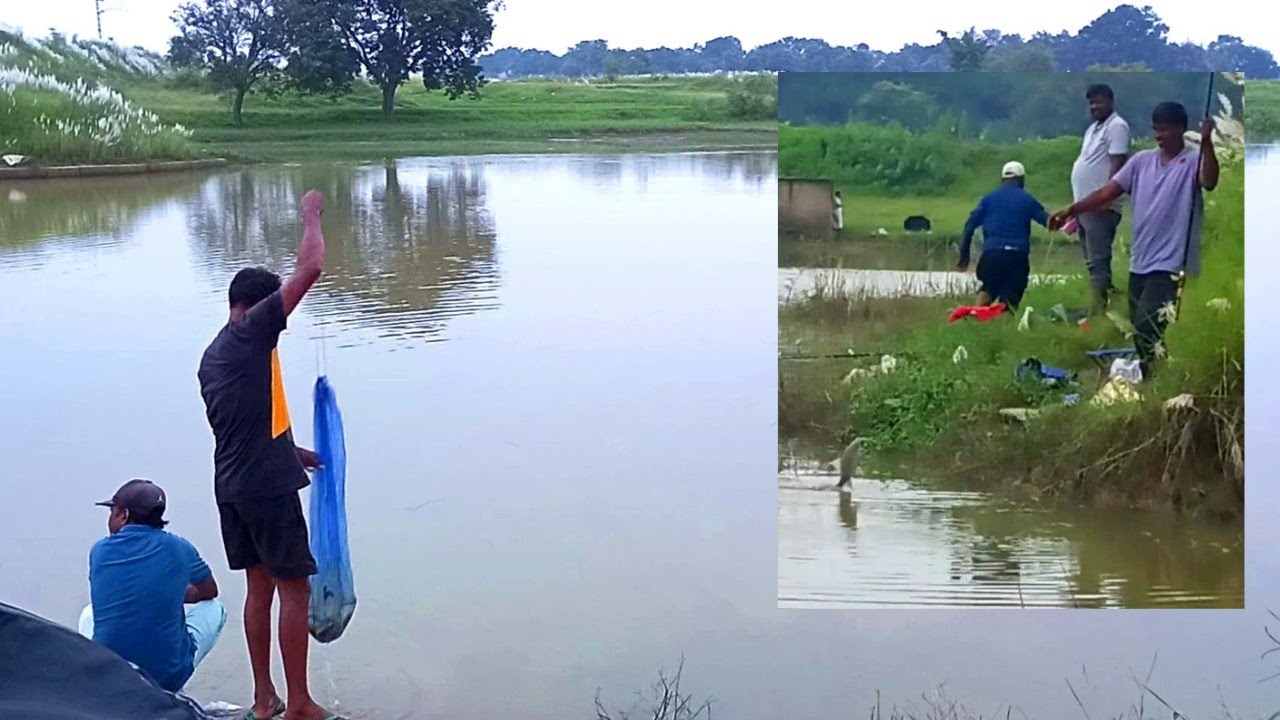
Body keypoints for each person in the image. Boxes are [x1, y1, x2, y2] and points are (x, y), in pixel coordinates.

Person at [198, 190, 344, 720]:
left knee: (258, 588)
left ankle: (265, 699)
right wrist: (310, 214)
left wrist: (294, 450)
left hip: (232, 489)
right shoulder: (253, 330)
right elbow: (311, 267)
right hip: (265, 489)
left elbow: (243, 421)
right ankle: (300, 703)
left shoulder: (214, 354)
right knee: (295, 590)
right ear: (257, 307)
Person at [1050, 102, 1219, 379]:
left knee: (1147, 325)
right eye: (1156, 129)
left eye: (1164, 130)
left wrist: (1208, 143)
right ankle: (1155, 376)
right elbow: (1106, 193)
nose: (1158, 135)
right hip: (1140, 260)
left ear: (1179, 130)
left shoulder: (1193, 160)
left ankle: (1153, 379)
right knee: (1142, 331)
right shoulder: (1141, 161)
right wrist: (1071, 210)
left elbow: (1209, 181)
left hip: (1170, 263)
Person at [79, 478, 226, 694]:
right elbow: (209, 592)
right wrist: (173, 593)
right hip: (169, 677)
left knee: (89, 613)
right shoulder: (180, 547)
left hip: (112, 673)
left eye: (112, 511)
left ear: (124, 514)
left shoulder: (99, 551)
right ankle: (172, 692)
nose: (110, 517)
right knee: (215, 609)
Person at [956, 160, 1050, 311]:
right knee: (1010, 298)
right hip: (1017, 255)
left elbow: (969, 226)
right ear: (1022, 180)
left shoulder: (987, 199)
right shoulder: (1027, 199)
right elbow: (1048, 221)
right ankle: (1003, 323)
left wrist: (964, 255)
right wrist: (1070, 222)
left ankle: (977, 316)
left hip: (992, 255)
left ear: (1002, 180)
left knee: (989, 287)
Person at [1070, 83, 1131, 315]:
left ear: (1111, 102)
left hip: (1101, 205)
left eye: (1099, 102)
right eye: (1091, 103)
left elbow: (1118, 162)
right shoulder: (1093, 129)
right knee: (1090, 259)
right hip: (1085, 205)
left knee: (1098, 260)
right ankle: (1104, 304)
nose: (1094, 107)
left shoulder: (1117, 126)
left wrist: (1108, 194)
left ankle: (1099, 311)